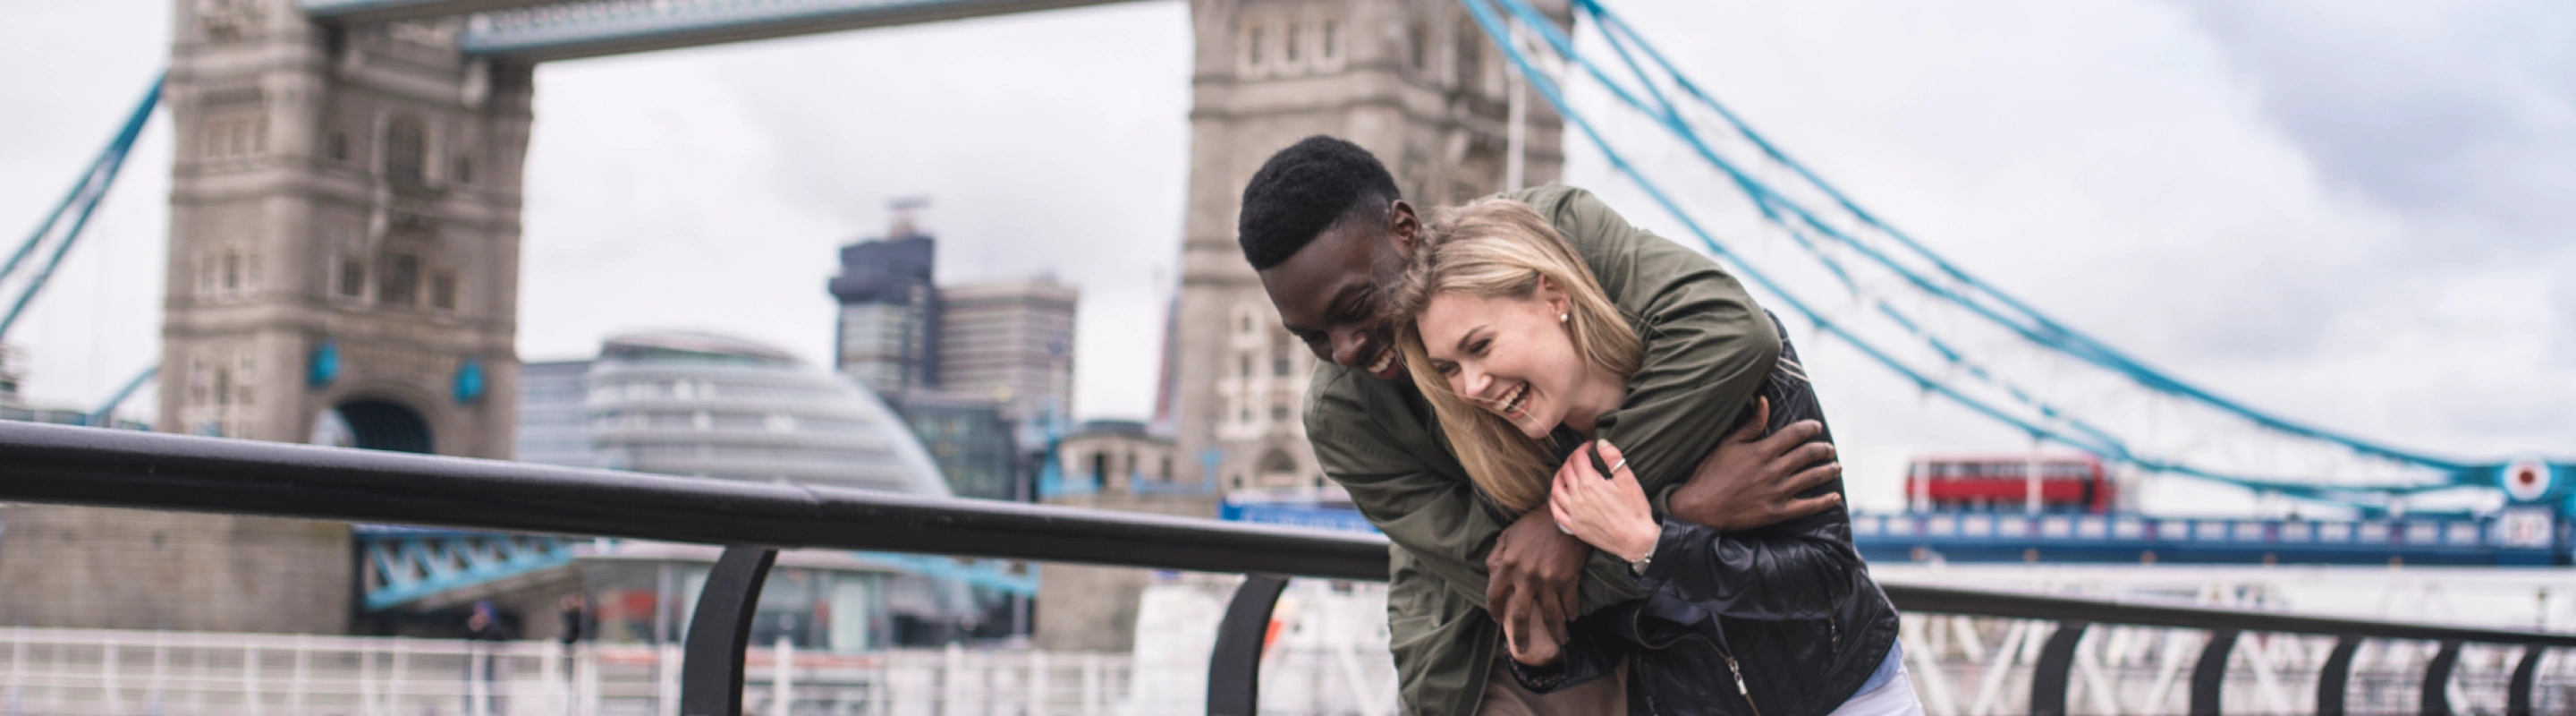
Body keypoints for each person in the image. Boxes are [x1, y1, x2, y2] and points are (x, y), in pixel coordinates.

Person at [1240, 136, 1852, 715]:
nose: (1345, 351)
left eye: (1353, 308)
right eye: (1312, 337)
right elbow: (1511, 580)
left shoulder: (1551, 235)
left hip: (1667, 630)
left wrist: (1568, 525)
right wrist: (1681, 512)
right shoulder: (1342, 417)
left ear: (1405, 229)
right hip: (1502, 654)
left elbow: (1731, 332)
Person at [1387, 198, 1917, 715]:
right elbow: (1604, 640)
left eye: (1480, 346)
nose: (1473, 386)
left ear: (1553, 296)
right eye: (1448, 369)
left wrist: (1653, 547)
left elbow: (1827, 577)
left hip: (1853, 693)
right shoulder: (1508, 469)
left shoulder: (1733, 378)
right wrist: (1543, 656)